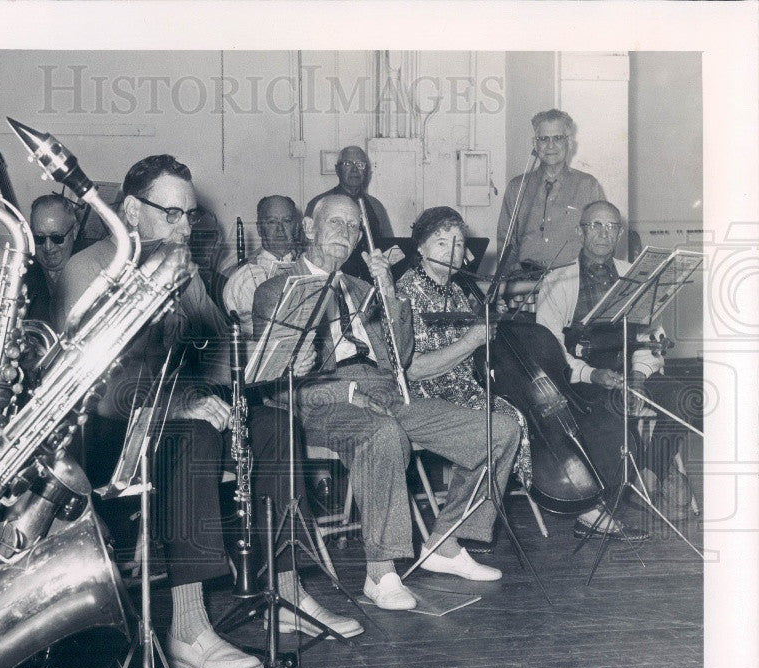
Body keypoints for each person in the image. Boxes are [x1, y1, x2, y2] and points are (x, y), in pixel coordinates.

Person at [57, 155, 363, 668]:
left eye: (190, 216)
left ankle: (285, 593)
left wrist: (279, 355)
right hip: (112, 435)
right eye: (171, 214)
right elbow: (91, 387)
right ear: (131, 210)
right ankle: (189, 628)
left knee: (275, 428)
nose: (184, 228)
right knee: (197, 433)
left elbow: (217, 354)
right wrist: (179, 403)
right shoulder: (89, 269)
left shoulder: (185, 270)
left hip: (180, 419)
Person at [252, 195, 521, 610]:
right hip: (322, 400)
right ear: (308, 229)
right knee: (382, 434)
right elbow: (276, 381)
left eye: (355, 227)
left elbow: (402, 357)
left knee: (499, 429)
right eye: (336, 223)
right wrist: (348, 393)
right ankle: (380, 573)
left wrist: (388, 290)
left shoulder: (364, 288)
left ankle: (445, 544)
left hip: (386, 394)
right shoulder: (276, 290)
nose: (347, 233)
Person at [535, 200, 696, 536]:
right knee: (615, 425)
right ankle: (591, 515)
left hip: (631, 373)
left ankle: (648, 475)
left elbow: (653, 338)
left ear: (619, 233)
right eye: (595, 225)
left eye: (611, 227)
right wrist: (592, 374)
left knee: (687, 397)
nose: (603, 234)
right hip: (583, 379)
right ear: (581, 231)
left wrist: (638, 375)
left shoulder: (636, 275)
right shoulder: (556, 282)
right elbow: (548, 349)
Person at [396, 207, 532, 490]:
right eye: (441, 243)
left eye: (459, 244)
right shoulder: (405, 292)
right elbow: (414, 370)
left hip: (464, 389)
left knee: (517, 414)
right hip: (425, 398)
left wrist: (487, 318)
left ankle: (477, 505)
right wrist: (472, 339)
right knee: (499, 425)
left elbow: (471, 346)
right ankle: (466, 511)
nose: (452, 251)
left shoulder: (457, 290)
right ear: (421, 247)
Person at [497, 109, 605, 277]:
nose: (550, 146)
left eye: (558, 138)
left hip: (571, 281)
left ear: (569, 143)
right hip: (526, 284)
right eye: (543, 139)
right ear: (535, 144)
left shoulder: (588, 185)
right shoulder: (516, 187)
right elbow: (505, 243)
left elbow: (599, 239)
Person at [305, 146, 393, 283]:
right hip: (330, 278)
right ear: (337, 170)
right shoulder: (319, 204)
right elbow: (308, 249)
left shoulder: (376, 206)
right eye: (347, 164)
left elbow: (389, 245)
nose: (354, 169)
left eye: (360, 164)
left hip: (369, 281)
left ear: (367, 172)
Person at [222, 195, 302, 333]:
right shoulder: (244, 280)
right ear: (259, 228)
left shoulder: (309, 268)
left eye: (287, 221)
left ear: (296, 227)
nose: (280, 229)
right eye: (272, 222)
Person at [27, 194, 78, 321]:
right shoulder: (23, 273)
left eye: (57, 238)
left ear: (75, 231)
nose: (48, 247)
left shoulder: (93, 266)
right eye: (39, 238)